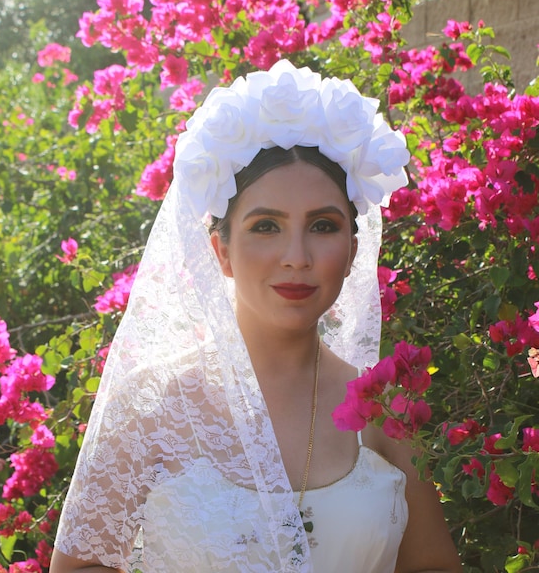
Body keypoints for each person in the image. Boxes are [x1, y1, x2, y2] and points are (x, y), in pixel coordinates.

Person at [49, 60, 462, 573]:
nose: (296, 256)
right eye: (266, 226)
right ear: (219, 251)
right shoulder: (150, 405)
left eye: (323, 226)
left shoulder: (386, 410)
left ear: (353, 250)